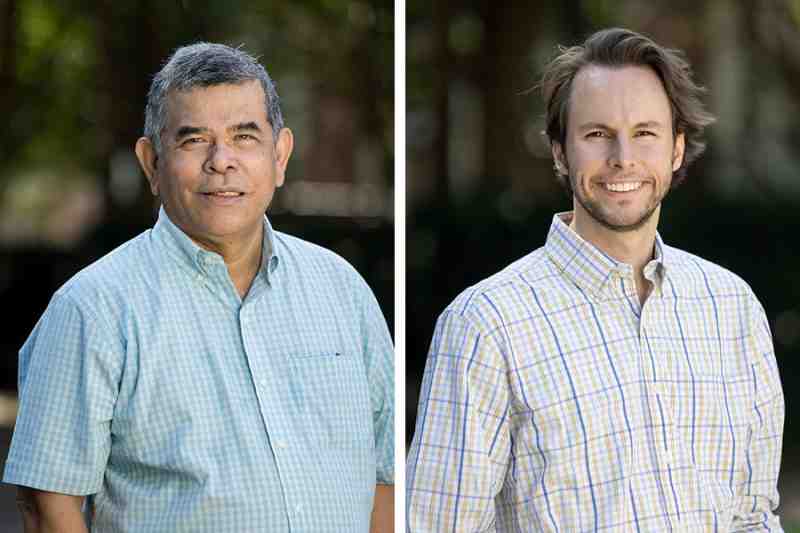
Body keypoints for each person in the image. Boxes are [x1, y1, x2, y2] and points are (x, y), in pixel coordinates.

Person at [4, 42, 394, 532]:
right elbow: (48, 506)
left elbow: (385, 472)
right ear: (151, 163)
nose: (221, 161)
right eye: (193, 140)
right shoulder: (92, 309)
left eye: (244, 136)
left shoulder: (342, 290)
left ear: (280, 155)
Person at [406, 28, 783, 532]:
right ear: (560, 151)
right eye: (597, 134)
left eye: (645, 132)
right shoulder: (486, 324)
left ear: (676, 148)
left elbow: (752, 517)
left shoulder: (731, 307)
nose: (623, 158)